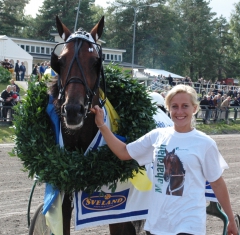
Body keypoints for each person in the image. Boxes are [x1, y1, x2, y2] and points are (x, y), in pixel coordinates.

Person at [90, 84, 238, 235]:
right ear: (168, 108)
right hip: (157, 224)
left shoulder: (205, 143)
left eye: (185, 106)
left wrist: (231, 219)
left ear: (194, 108)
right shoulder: (157, 136)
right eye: (174, 106)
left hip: (189, 225)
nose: (179, 111)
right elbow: (124, 152)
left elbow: (217, 183)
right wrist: (102, 125)